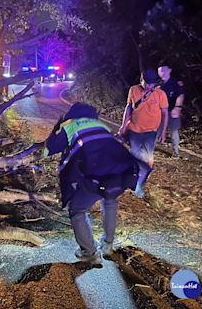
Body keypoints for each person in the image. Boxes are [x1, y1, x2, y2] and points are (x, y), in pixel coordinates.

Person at [44, 102, 148, 264]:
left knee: (77, 210)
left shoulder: (69, 124)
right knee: (109, 200)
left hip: (95, 174)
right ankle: (108, 244)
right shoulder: (100, 124)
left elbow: (49, 149)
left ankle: (89, 252)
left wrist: (57, 127)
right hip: (122, 172)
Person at [118, 69, 169, 197]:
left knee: (147, 157)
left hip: (151, 132)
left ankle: (141, 183)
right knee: (134, 156)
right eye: (146, 83)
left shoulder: (160, 94)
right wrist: (123, 126)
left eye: (151, 84)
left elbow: (165, 113)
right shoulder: (133, 90)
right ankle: (132, 181)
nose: (149, 86)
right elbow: (129, 108)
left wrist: (163, 132)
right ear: (141, 79)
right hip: (135, 130)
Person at [157, 65, 185, 158]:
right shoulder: (159, 84)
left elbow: (180, 95)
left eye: (164, 70)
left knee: (174, 132)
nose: (162, 73)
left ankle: (176, 152)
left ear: (169, 70)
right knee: (156, 130)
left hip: (172, 111)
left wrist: (177, 107)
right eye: (160, 71)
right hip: (160, 112)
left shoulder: (175, 83)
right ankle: (150, 148)